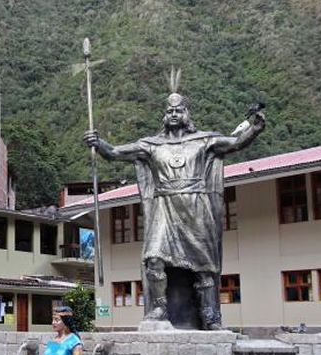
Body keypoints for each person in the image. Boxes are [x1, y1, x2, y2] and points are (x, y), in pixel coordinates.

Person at [84, 72, 265, 330]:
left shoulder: (203, 140)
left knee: (204, 265)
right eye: (169, 110)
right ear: (164, 115)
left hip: (195, 207)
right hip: (164, 207)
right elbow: (114, 153)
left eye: (179, 110)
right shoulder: (151, 145)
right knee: (154, 257)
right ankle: (159, 308)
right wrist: (98, 142)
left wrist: (255, 129)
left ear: (186, 113)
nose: (174, 114)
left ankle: (210, 316)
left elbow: (235, 142)